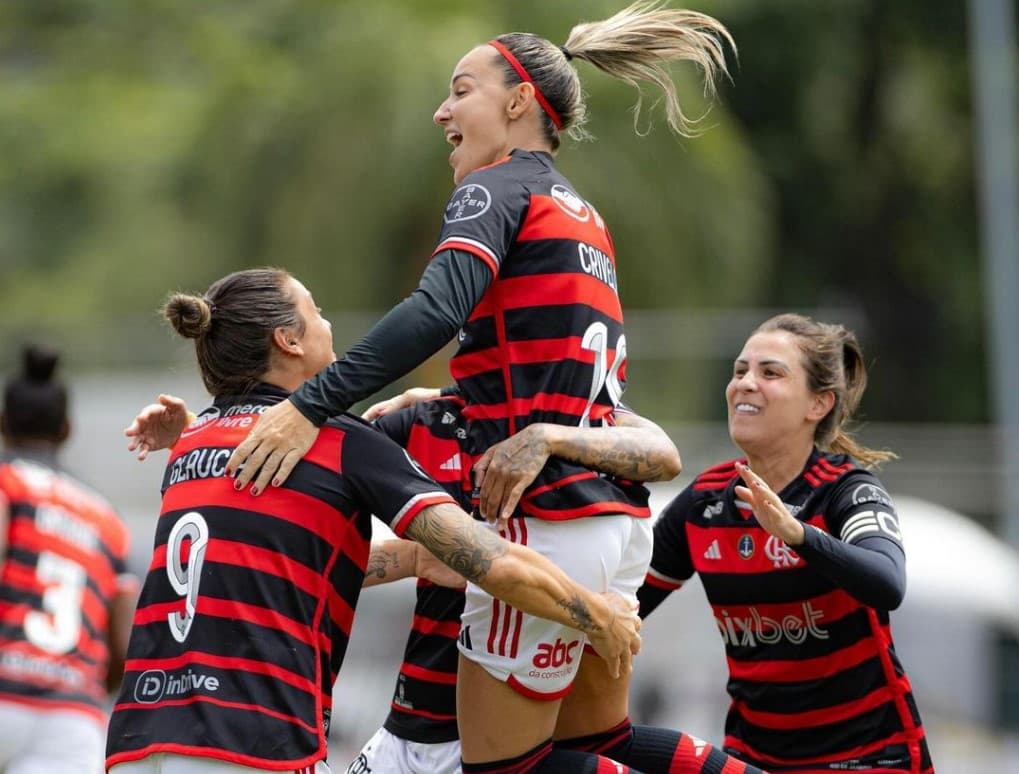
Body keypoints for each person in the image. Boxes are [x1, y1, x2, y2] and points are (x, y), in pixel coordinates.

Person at [210, 4, 733, 770]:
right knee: (597, 745)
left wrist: (307, 406)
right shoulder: (581, 214)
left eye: (461, 91)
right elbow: (544, 370)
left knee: (503, 769)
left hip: (544, 518)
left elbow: (435, 311)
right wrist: (453, 405)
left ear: (518, 101)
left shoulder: (495, 189)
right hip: (611, 516)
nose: (441, 111)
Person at [105, 268, 642, 774]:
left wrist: (413, 558)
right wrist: (597, 614)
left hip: (136, 742)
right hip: (251, 743)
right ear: (288, 341)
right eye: (315, 311)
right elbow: (492, 562)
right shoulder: (337, 443)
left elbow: (273, 564)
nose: (328, 323)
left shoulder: (194, 445)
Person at [347, 388, 765, 774]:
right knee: (603, 743)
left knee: (600, 742)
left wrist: (548, 437)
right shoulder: (420, 423)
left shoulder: (583, 419)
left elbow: (664, 455)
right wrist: (414, 558)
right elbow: (316, 557)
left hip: (514, 736)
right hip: (416, 726)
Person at [637, 313, 933, 773]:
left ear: (818, 404)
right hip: (756, 759)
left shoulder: (845, 490)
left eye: (770, 372)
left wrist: (798, 535)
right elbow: (624, 603)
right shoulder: (704, 503)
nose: (745, 383)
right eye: (740, 371)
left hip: (866, 759)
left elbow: (887, 582)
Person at [0, 345, 137, 774]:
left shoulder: (7, 484)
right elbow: (124, 645)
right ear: (66, 430)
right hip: (72, 717)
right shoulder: (106, 520)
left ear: (3, 424)